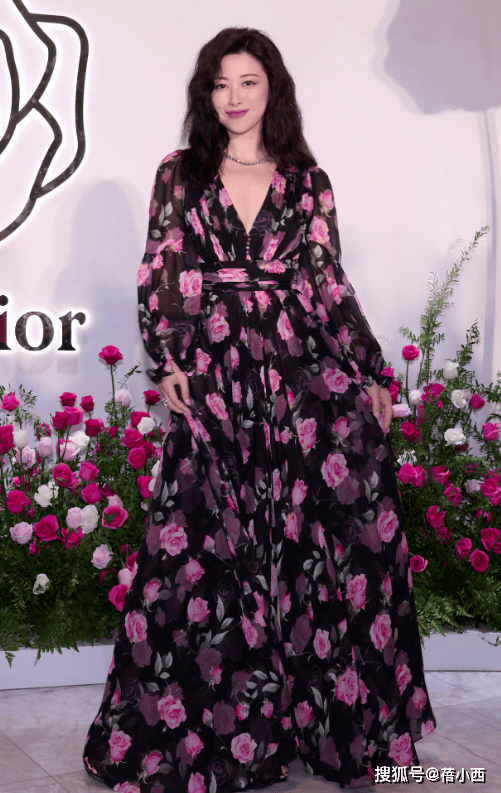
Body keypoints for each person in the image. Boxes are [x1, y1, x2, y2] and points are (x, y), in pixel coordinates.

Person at [84, 26, 436, 792]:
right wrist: (168, 358)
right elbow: (160, 270)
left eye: (248, 81)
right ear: (205, 94)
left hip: (299, 377)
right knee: (203, 547)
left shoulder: (307, 181)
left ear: (271, 87)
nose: (234, 96)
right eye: (220, 83)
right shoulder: (180, 173)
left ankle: (319, 724)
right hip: (214, 375)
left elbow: (328, 284)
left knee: (314, 540)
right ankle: (221, 731)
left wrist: (372, 370)